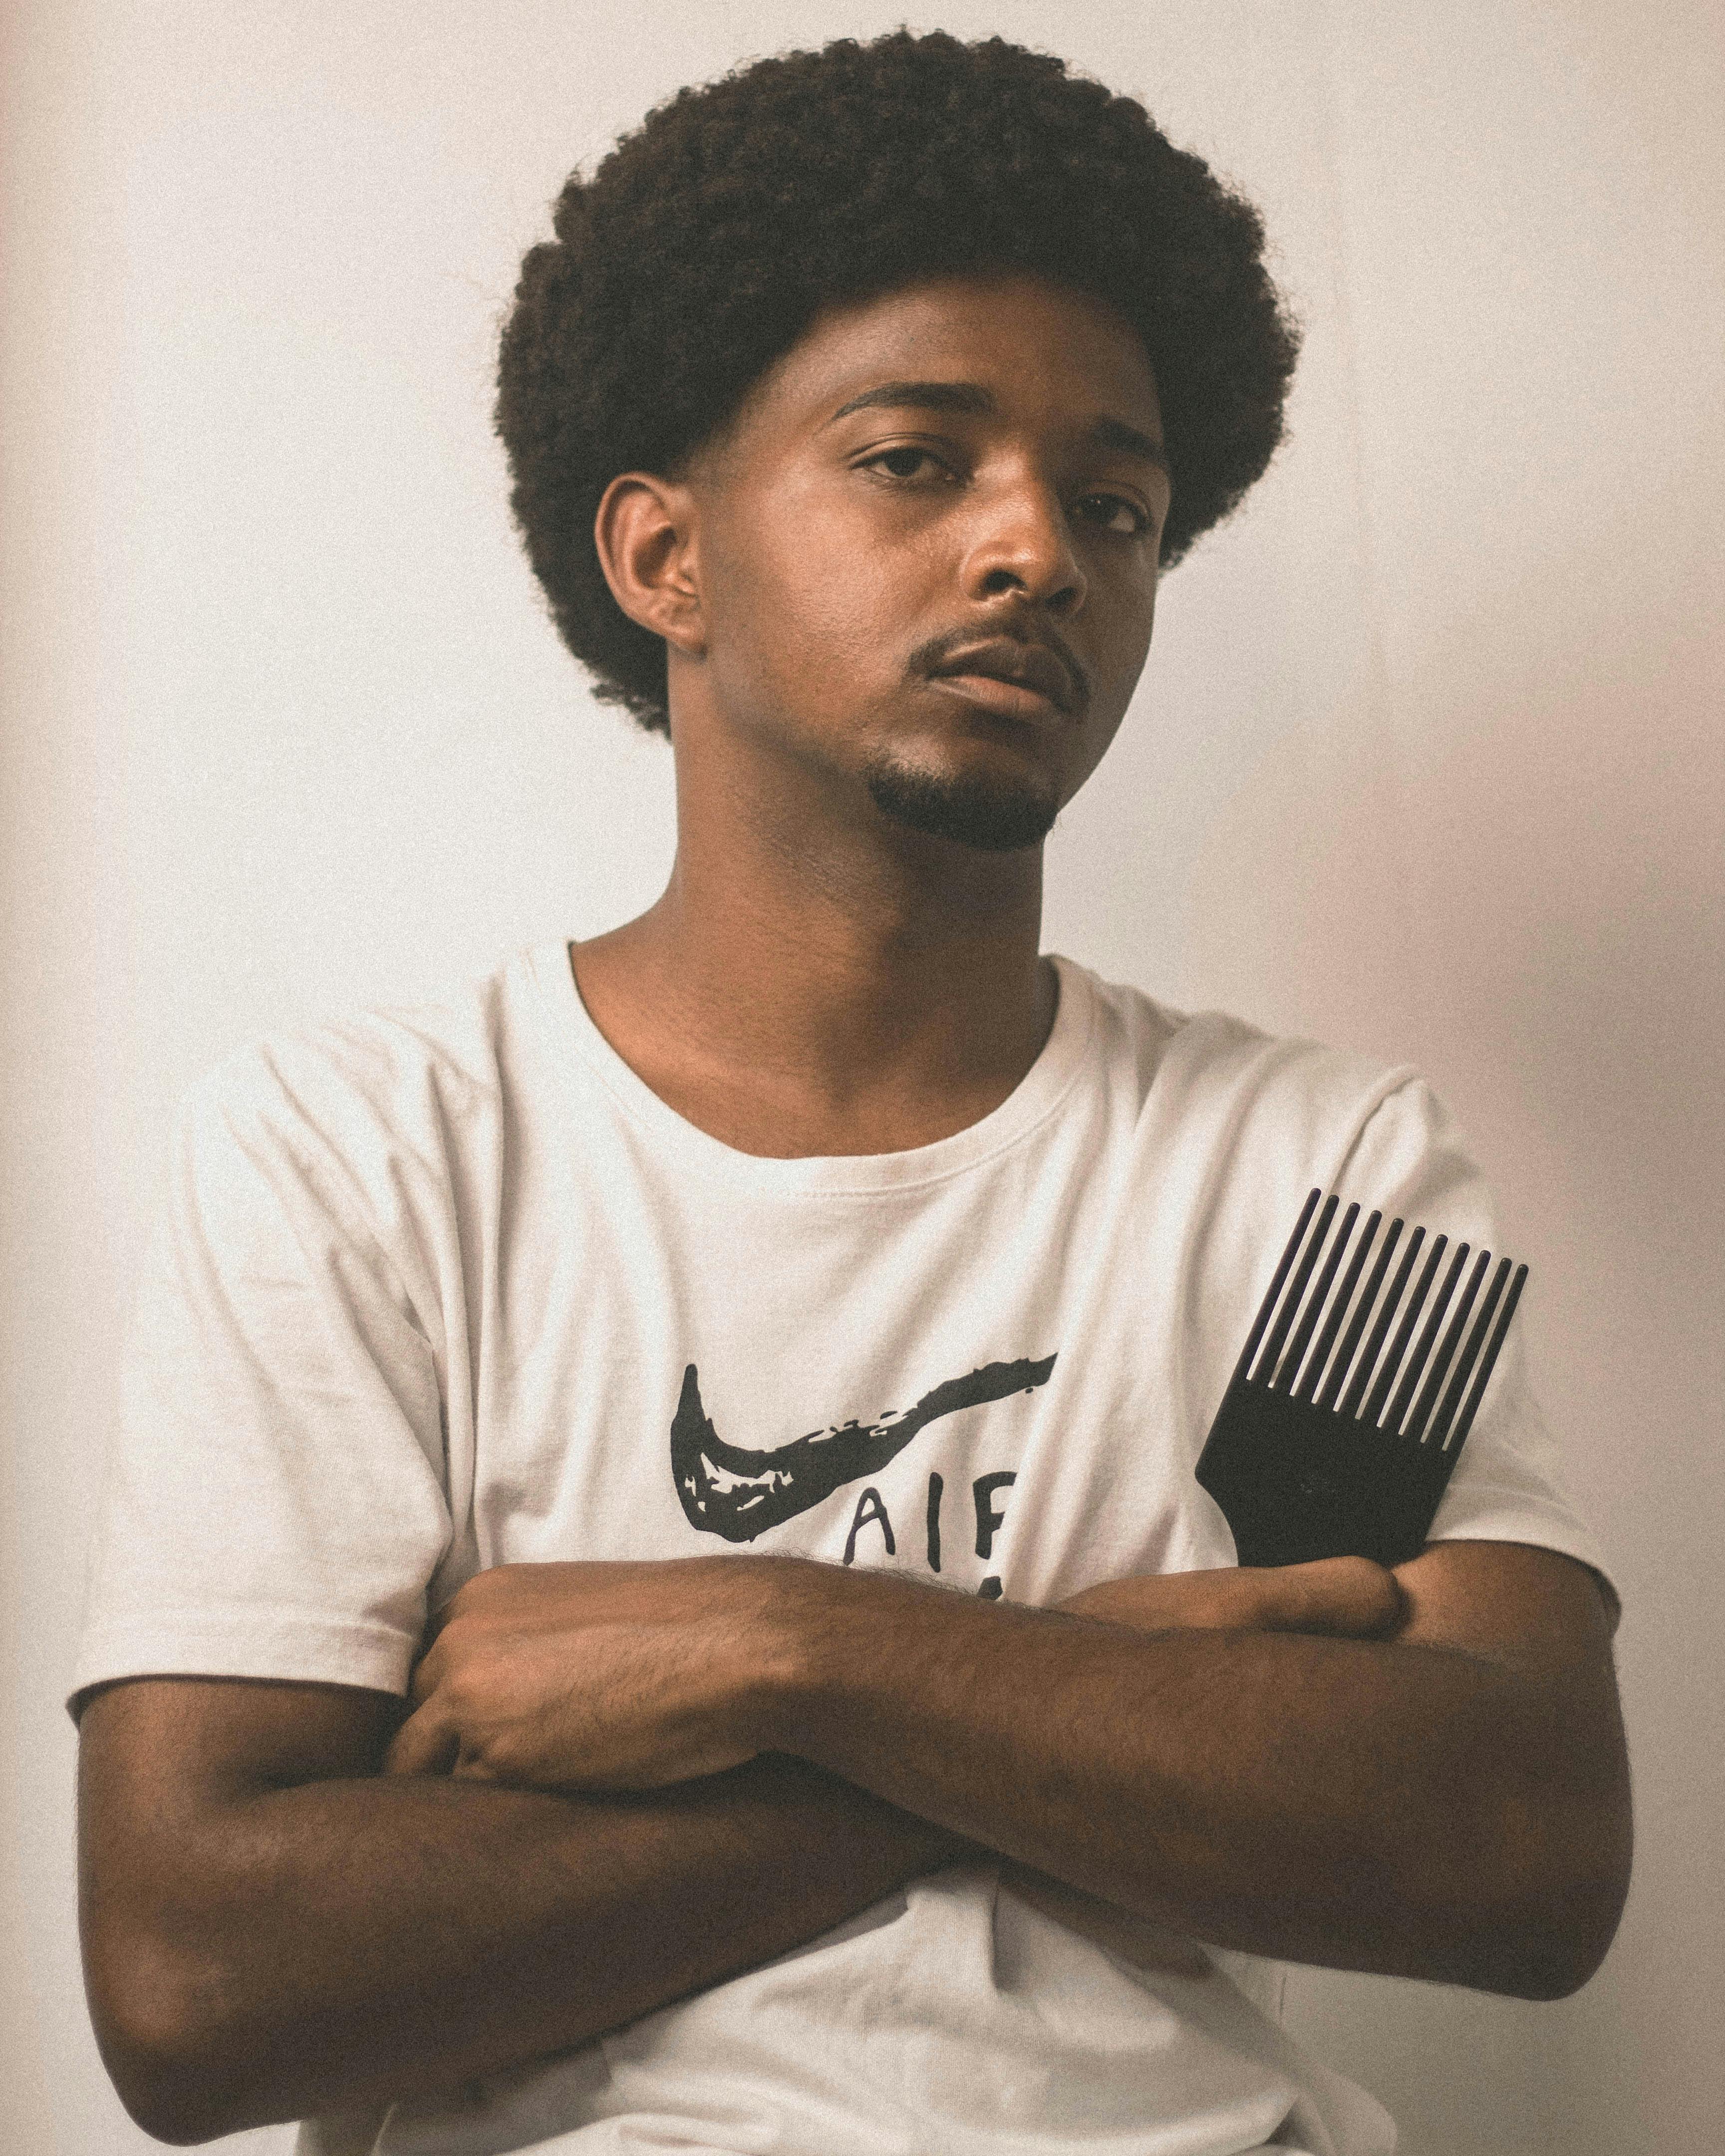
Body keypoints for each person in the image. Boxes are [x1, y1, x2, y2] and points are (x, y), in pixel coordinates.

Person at [71, 30, 1631, 2156]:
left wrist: (784, 1651)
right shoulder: (365, 1157)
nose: (1037, 550)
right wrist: (1089, 1699)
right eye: (916, 461)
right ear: (665, 559)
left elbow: (1517, 1852)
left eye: (1115, 506)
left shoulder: (1317, 1172)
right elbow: (199, 1986)